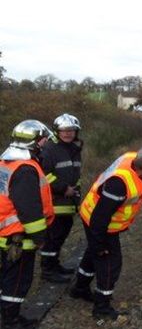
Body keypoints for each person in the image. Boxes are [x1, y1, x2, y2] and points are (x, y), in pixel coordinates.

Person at [70, 147, 142, 319]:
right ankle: (101, 307)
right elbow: (101, 216)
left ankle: (79, 289)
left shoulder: (131, 158)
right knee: (109, 264)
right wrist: (99, 244)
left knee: (93, 254)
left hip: (92, 215)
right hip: (100, 224)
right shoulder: (119, 184)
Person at [0, 120, 55, 329]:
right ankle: (10, 325)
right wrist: (40, 237)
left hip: (7, 233)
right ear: (35, 141)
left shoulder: (7, 162)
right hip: (18, 237)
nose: (45, 144)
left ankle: (9, 316)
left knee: (7, 278)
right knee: (18, 281)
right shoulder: (25, 169)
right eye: (43, 140)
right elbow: (29, 210)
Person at [39, 114, 83, 283]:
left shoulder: (74, 148)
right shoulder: (49, 149)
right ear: (57, 131)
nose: (68, 133)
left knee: (61, 236)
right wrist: (64, 188)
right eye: (64, 130)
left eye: (71, 130)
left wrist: (75, 191)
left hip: (69, 202)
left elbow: (75, 174)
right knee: (52, 238)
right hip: (54, 202)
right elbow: (44, 175)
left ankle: (55, 265)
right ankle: (48, 270)